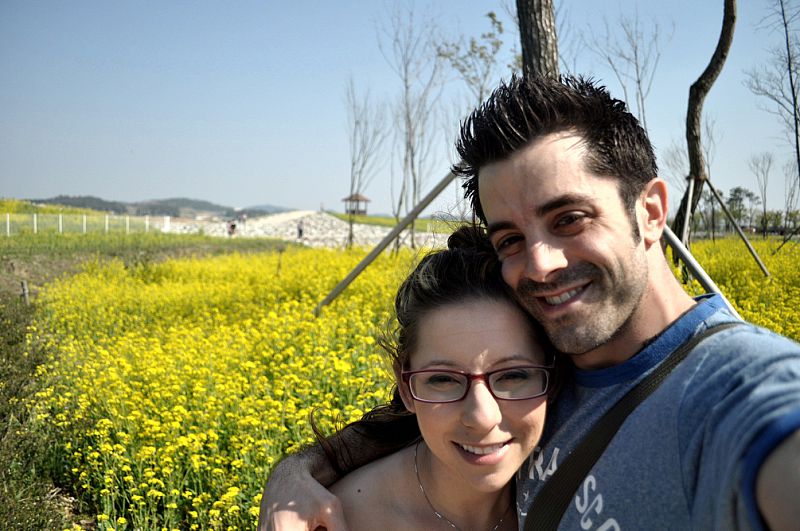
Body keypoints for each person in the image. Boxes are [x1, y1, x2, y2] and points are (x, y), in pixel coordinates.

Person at [259, 75, 800, 530]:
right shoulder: (550, 349)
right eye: (511, 239)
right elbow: (428, 409)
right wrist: (295, 473)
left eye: (569, 219)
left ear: (652, 211)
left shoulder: (736, 393)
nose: (539, 265)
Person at [314, 226, 555, 530]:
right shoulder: (337, 521)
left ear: (554, 375)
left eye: (513, 375)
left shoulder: (577, 501)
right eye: (443, 379)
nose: (481, 417)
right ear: (406, 386)